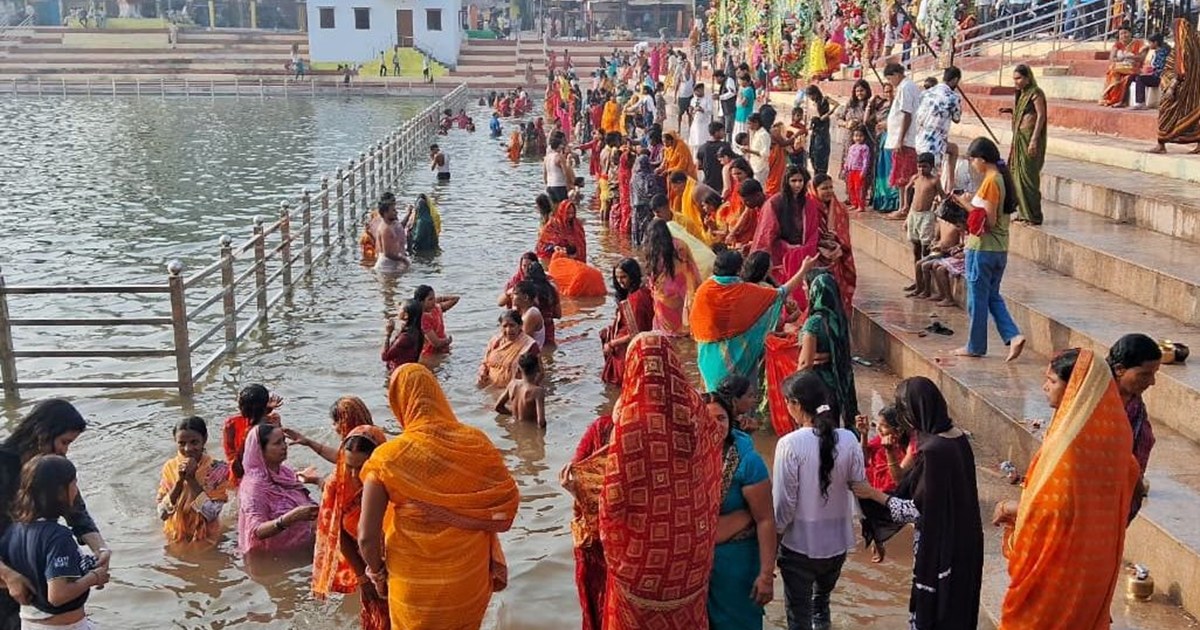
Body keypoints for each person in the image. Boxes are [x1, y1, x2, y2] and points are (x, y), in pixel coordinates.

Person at [358, 364, 520, 630]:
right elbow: (505, 503)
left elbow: (366, 537)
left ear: (399, 402)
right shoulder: (474, 442)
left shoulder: (388, 458)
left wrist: (377, 574)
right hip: (468, 579)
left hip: (413, 583)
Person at [991, 348, 1141, 629]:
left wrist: (1009, 508)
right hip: (1095, 564)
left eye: (1052, 380)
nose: (1044, 386)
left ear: (1074, 389)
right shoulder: (1115, 433)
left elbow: (1052, 510)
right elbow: (1131, 476)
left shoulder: (1071, 445)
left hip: (1060, 571)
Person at [598, 333, 722, 628]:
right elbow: (713, 460)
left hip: (640, 564)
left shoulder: (631, 421)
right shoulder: (696, 410)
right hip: (690, 556)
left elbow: (613, 501)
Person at [852, 377, 984, 630]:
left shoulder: (933, 451)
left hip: (941, 549)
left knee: (935, 615)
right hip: (966, 543)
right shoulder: (957, 439)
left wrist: (871, 494)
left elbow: (916, 511)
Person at [773, 371, 866, 630]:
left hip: (799, 547)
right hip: (837, 547)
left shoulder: (789, 444)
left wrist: (772, 544)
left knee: (798, 617)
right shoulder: (849, 439)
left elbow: (784, 505)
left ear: (796, 405)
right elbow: (861, 490)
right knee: (820, 606)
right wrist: (873, 533)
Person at [1, 455, 108, 630]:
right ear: (59, 492)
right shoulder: (58, 537)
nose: (76, 490)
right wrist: (94, 577)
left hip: (29, 621)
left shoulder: (15, 530)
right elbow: (58, 596)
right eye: (74, 483)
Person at [691, 250, 814, 391]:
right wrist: (804, 269)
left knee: (714, 398)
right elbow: (781, 293)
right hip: (736, 357)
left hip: (708, 358)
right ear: (738, 269)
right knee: (741, 397)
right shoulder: (743, 291)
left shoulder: (704, 290)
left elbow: (697, 327)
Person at [704, 392, 776, 630]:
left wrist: (766, 576)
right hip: (697, 569)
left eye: (721, 419)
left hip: (736, 564)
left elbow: (766, 519)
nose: (716, 426)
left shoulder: (747, 462)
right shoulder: (686, 457)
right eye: (708, 419)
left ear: (730, 420)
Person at [953, 137, 1026, 360]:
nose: (972, 165)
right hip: (999, 249)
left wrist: (963, 203)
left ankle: (975, 346)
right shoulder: (1001, 179)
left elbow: (989, 221)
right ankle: (1013, 335)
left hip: (983, 249)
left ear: (982, 159)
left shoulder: (992, 181)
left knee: (977, 300)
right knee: (992, 297)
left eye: (972, 160)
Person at [311, 426, 390, 630]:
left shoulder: (392, 480)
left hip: (399, 562)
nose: (355, 475)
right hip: (368, 564)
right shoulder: (337, 485)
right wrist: (364, 578)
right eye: (349, 466)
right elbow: (339, 535)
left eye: (362, 466)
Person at [561, 414, 614, 630]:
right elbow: (577, 472)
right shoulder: (600, 428)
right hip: (595, 544)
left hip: (634, 544)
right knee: (598, 606)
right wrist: (575, 488)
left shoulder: (652, 436)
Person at [237, 424, 319, 555]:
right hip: (273, 555)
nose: (284, 446)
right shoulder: (254, 487)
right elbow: (256, 531)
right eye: (277, 443)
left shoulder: (285, 472)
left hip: (301, 546)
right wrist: (289, 518)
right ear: (260, 450)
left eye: (284, 441)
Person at [1107, 333, 1163, 520]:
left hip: (1124, 493)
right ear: (1120, 369)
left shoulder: (1135, 405)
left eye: (1154, 374)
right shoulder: (1095, 400)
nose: (1152, 382)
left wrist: (1134, 482)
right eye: (1145, 374)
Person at [854, 406, 917, 563]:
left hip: (896, 492)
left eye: (884, 426)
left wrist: (889, 452)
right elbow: (863, 458)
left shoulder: (910, 447)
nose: (879, 429)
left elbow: (899, 480)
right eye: (878, 425)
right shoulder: (881, 440)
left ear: (898, 429)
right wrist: (864, 435)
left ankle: (880, 537)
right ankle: (878, 539)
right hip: (877, 485)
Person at [156, 416, 230, 545]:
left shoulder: (218, 469)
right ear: (175, 441)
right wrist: (179, 482)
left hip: (207, 536)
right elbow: (162, 514)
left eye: (194, 442)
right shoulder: (170, 467)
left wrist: (191, 480)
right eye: (182, 443)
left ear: (204, 439)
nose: (188, 449)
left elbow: (211, 515)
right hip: (175, 534)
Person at [751, 166, 821, 295]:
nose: (798, 184)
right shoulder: (774, 203)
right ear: (786, 182)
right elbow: (767, 234)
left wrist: (803, 249)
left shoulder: (809, 203)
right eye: (793, 181)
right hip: (780, 256)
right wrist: (787, 247)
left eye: (801, 180)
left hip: (803, 254)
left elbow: (813, 231)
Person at [1001, 65, 1047, 225]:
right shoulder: (1021, 94)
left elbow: (1041, 116)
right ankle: (1023, 212)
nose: (1016, 82)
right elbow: (1024, 112)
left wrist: (1034, 139)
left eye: (1019, 78)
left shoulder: (1036, 93)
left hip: (1029, 138)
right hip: (1019, 138)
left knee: (1028, 177)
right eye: (1014, 79)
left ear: (1028, 77)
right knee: (1016, 176)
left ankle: (1033, 216)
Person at [643, 218, 701, 336]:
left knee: (666, 330)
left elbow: (651, 272)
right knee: (684, 321)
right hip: (682, 286)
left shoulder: (652, 248)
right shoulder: (680, 245)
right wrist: (696, 287)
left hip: (663, 291)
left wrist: (653, 290)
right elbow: (691, 266)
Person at [601, 258, 655, 386]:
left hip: (628, 347)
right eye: (617, 277)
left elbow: (635, 333)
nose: (620, 281)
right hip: (643, 341)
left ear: (632, 276)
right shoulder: (642, 291)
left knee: (622, 383)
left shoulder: (635, 300)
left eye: (624, 277)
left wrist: (611, 343)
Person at [1151, 18, 1200, 154]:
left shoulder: (1183, 48)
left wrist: (1172, 86)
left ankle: (1161, 144)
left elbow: (1180, 70)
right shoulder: (1196, 43)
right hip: (1193, 90)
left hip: (1178, 88)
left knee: (1165, 112)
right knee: (1193, 116)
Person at [811, 174, 858, 317]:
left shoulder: (840, 209)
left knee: (837, 293)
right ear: (815, 189)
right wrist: (820, 240)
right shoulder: (809, 207)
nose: (829, 191)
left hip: (836, 257)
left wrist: (836, 238)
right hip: (816, 258)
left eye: (831, 187)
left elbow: (844, 234)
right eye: (824, 188)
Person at [883, 63, 921, 212]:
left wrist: (900, 139)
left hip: (905, 140)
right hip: (903, 139)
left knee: (903, 176)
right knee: (902, 174)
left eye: (890, 79)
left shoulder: (906, 87)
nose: (890, 83)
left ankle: (904, 207)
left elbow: (907, 114)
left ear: (896, 75)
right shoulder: (907, 86)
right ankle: (903, 206)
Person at [914, 66, 963, 179]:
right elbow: (957, 118)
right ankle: (947, 187)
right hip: (935, 143)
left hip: (918, 139)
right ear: (955, 80)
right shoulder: (952, 97)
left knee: (953, 149)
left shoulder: (926, 93)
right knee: (931, 178)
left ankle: (948, 186)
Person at [900, 152, 945, 274]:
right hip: (914, 214)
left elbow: (942, 196)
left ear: (931, 167)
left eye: (924, 166)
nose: (921, 169)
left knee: (925, 249)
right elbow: (908, 189)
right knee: (916, 249)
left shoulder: (934, 181)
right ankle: (917, 280)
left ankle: (926, 282)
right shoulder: (915, 178)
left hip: (926, 216)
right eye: (919, 166)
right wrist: (905, 205)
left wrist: (941, 211)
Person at [478, 310, 539, 388]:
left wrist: (524, 391)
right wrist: (482, 371)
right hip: (490, 387)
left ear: (520, 325)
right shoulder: (495, 341)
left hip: (513, 391)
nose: (508, 330)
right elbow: (485, 362)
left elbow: (539, 373)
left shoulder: (529, 345)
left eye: (512, 325)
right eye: (505, 326)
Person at [495, 354, 547, 427]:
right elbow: (541, 422)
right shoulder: (538, 392)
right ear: (537, 369)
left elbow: (498, 407)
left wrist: (514, 414)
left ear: (519, 368)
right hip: (529, 432)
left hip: (514, 428)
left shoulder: (512, 384)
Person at [870, 83, 899, 212]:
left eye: (891, 91)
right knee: (883, 170)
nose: (889, 94)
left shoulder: (899, 106)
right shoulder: (883, 106)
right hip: (883, 140)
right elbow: (867, 121)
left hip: (894, 141)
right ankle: (883, 201)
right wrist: (870, 104)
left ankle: (892, 203)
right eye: (886, 92)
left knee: (891, 171)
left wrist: (888, 125)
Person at [1099, 25, 1144, 107]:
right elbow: (1112, 58)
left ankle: (1119, 100)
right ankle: (1110, 98)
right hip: (1120, 67)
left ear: (1130, 33)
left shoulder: (1138, 43)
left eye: (1125, 33)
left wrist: (1129, 56)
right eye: (1121, 34)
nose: (1124, 36)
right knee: (1112, 73)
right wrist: (1120, 59)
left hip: (1133, 67)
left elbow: (1141, 58)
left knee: (1122, 76)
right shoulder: (1117, 44)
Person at [382, 299, 425, 373]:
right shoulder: (417, 332)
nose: (398, 311)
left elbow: (385, 356)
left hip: (400, 374)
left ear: (406, 315)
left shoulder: (405, 338)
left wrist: (388, 334)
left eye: (400, 309)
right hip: (410, 371)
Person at [415, 285, 457, 357]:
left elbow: (455, 299)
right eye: (430, 299)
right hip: (430, 354)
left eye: (434, 298)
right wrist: (448, 340)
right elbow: (436, 343)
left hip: (443, 350)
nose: (434, 301)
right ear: (421, 302)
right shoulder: (422, 319)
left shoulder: (437, 308)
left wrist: (438, 299)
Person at [372, 198, 410, 275]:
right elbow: (388, 253)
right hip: (385, 267)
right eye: (393, 210)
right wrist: (403, 259)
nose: (396, 212)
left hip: (391, 265)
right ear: (385, 213)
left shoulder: (391, 225)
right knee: (389, 286)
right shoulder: (385, 229)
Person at [1132, 33, 1170, 110]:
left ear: (1155, 43)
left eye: (1150, 43)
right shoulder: (1157, 51)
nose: (1149, 45)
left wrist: (1149, 72)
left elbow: (1160, 67)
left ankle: (1141, 102)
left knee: (1140, 78)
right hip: (1155, 74)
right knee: (1132, 77)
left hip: (1160, 77)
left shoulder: (1162, 53)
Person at [804, 85, 835, 176]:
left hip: (822, 131)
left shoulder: (824, 100)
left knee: (821, 154)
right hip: (815, 131)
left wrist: (828, 114)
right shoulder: (814, 103)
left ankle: (821, 174)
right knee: (813, 154)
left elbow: (836, 104)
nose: (811, 98)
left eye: (811, 95)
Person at [511, 281, 546, 347]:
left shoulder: (532, 313)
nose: (512, 296)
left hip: (529, 354)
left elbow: (523, 341)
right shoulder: (521, 311)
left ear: (525, 297)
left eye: (515, 294)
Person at [739, 113, 771, 184]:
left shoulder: (763, 135)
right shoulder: (755, 133)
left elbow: (765, 153)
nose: (748, 126)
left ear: (756, 123)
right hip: (754, 166)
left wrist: (750, 151)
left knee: (760, 188)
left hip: (760, 167)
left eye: (750, 124)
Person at [544, 136, 573, 203]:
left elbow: (545, 174)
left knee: (554, 208)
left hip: (550, 185)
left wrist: (547, 184)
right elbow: (565, 172)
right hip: (559, 185)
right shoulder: (559, 157)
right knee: (562, 207)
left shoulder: (546, 158)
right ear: (559, 146)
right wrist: (569, 185)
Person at [687, 82, 713, 152]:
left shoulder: (708, 99)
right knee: (695, 142)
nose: (696, 93)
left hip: (704, 124)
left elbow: (710, 111)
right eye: (695, 92)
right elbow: (691, 110)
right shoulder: (693, 99)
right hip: (695, 123)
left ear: (702, 90)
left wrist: (702, 110)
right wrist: (690, 110)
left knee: (703, 143)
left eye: (698, 91)